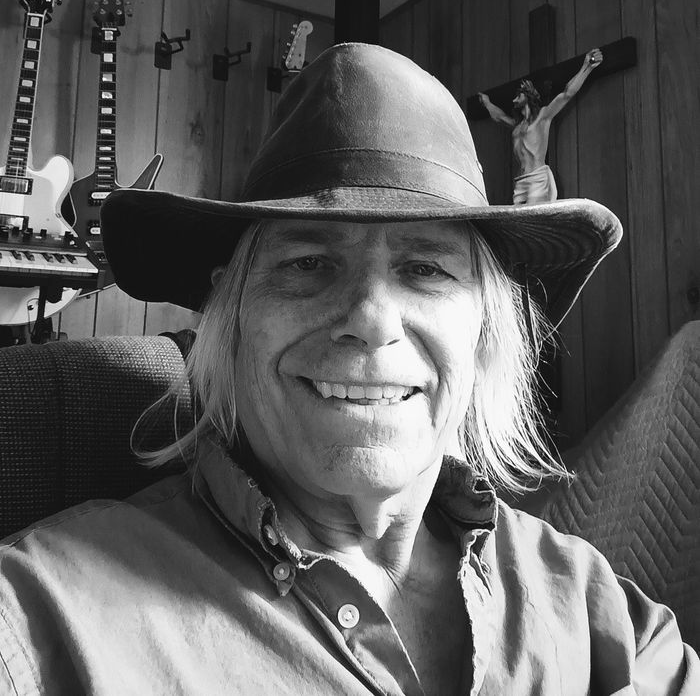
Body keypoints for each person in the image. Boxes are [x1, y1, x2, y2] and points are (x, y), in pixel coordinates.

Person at [0, 43, 697, 695]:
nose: (371, 318)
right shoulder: (41, 615)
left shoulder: (599, 611)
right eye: (308, 264)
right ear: (228, 314)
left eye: (424, 269)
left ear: (487, 329)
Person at [478, 48, 603, 205]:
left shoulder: (542, 117)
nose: (514, 100)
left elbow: (567, 94)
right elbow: (499, 116)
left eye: (518, 95)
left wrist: (587, 67)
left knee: (533, 218)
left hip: (537, 177)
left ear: (528, 96)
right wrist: (487, 103)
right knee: (520, 223)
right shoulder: (516, 126)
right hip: (520, 181)